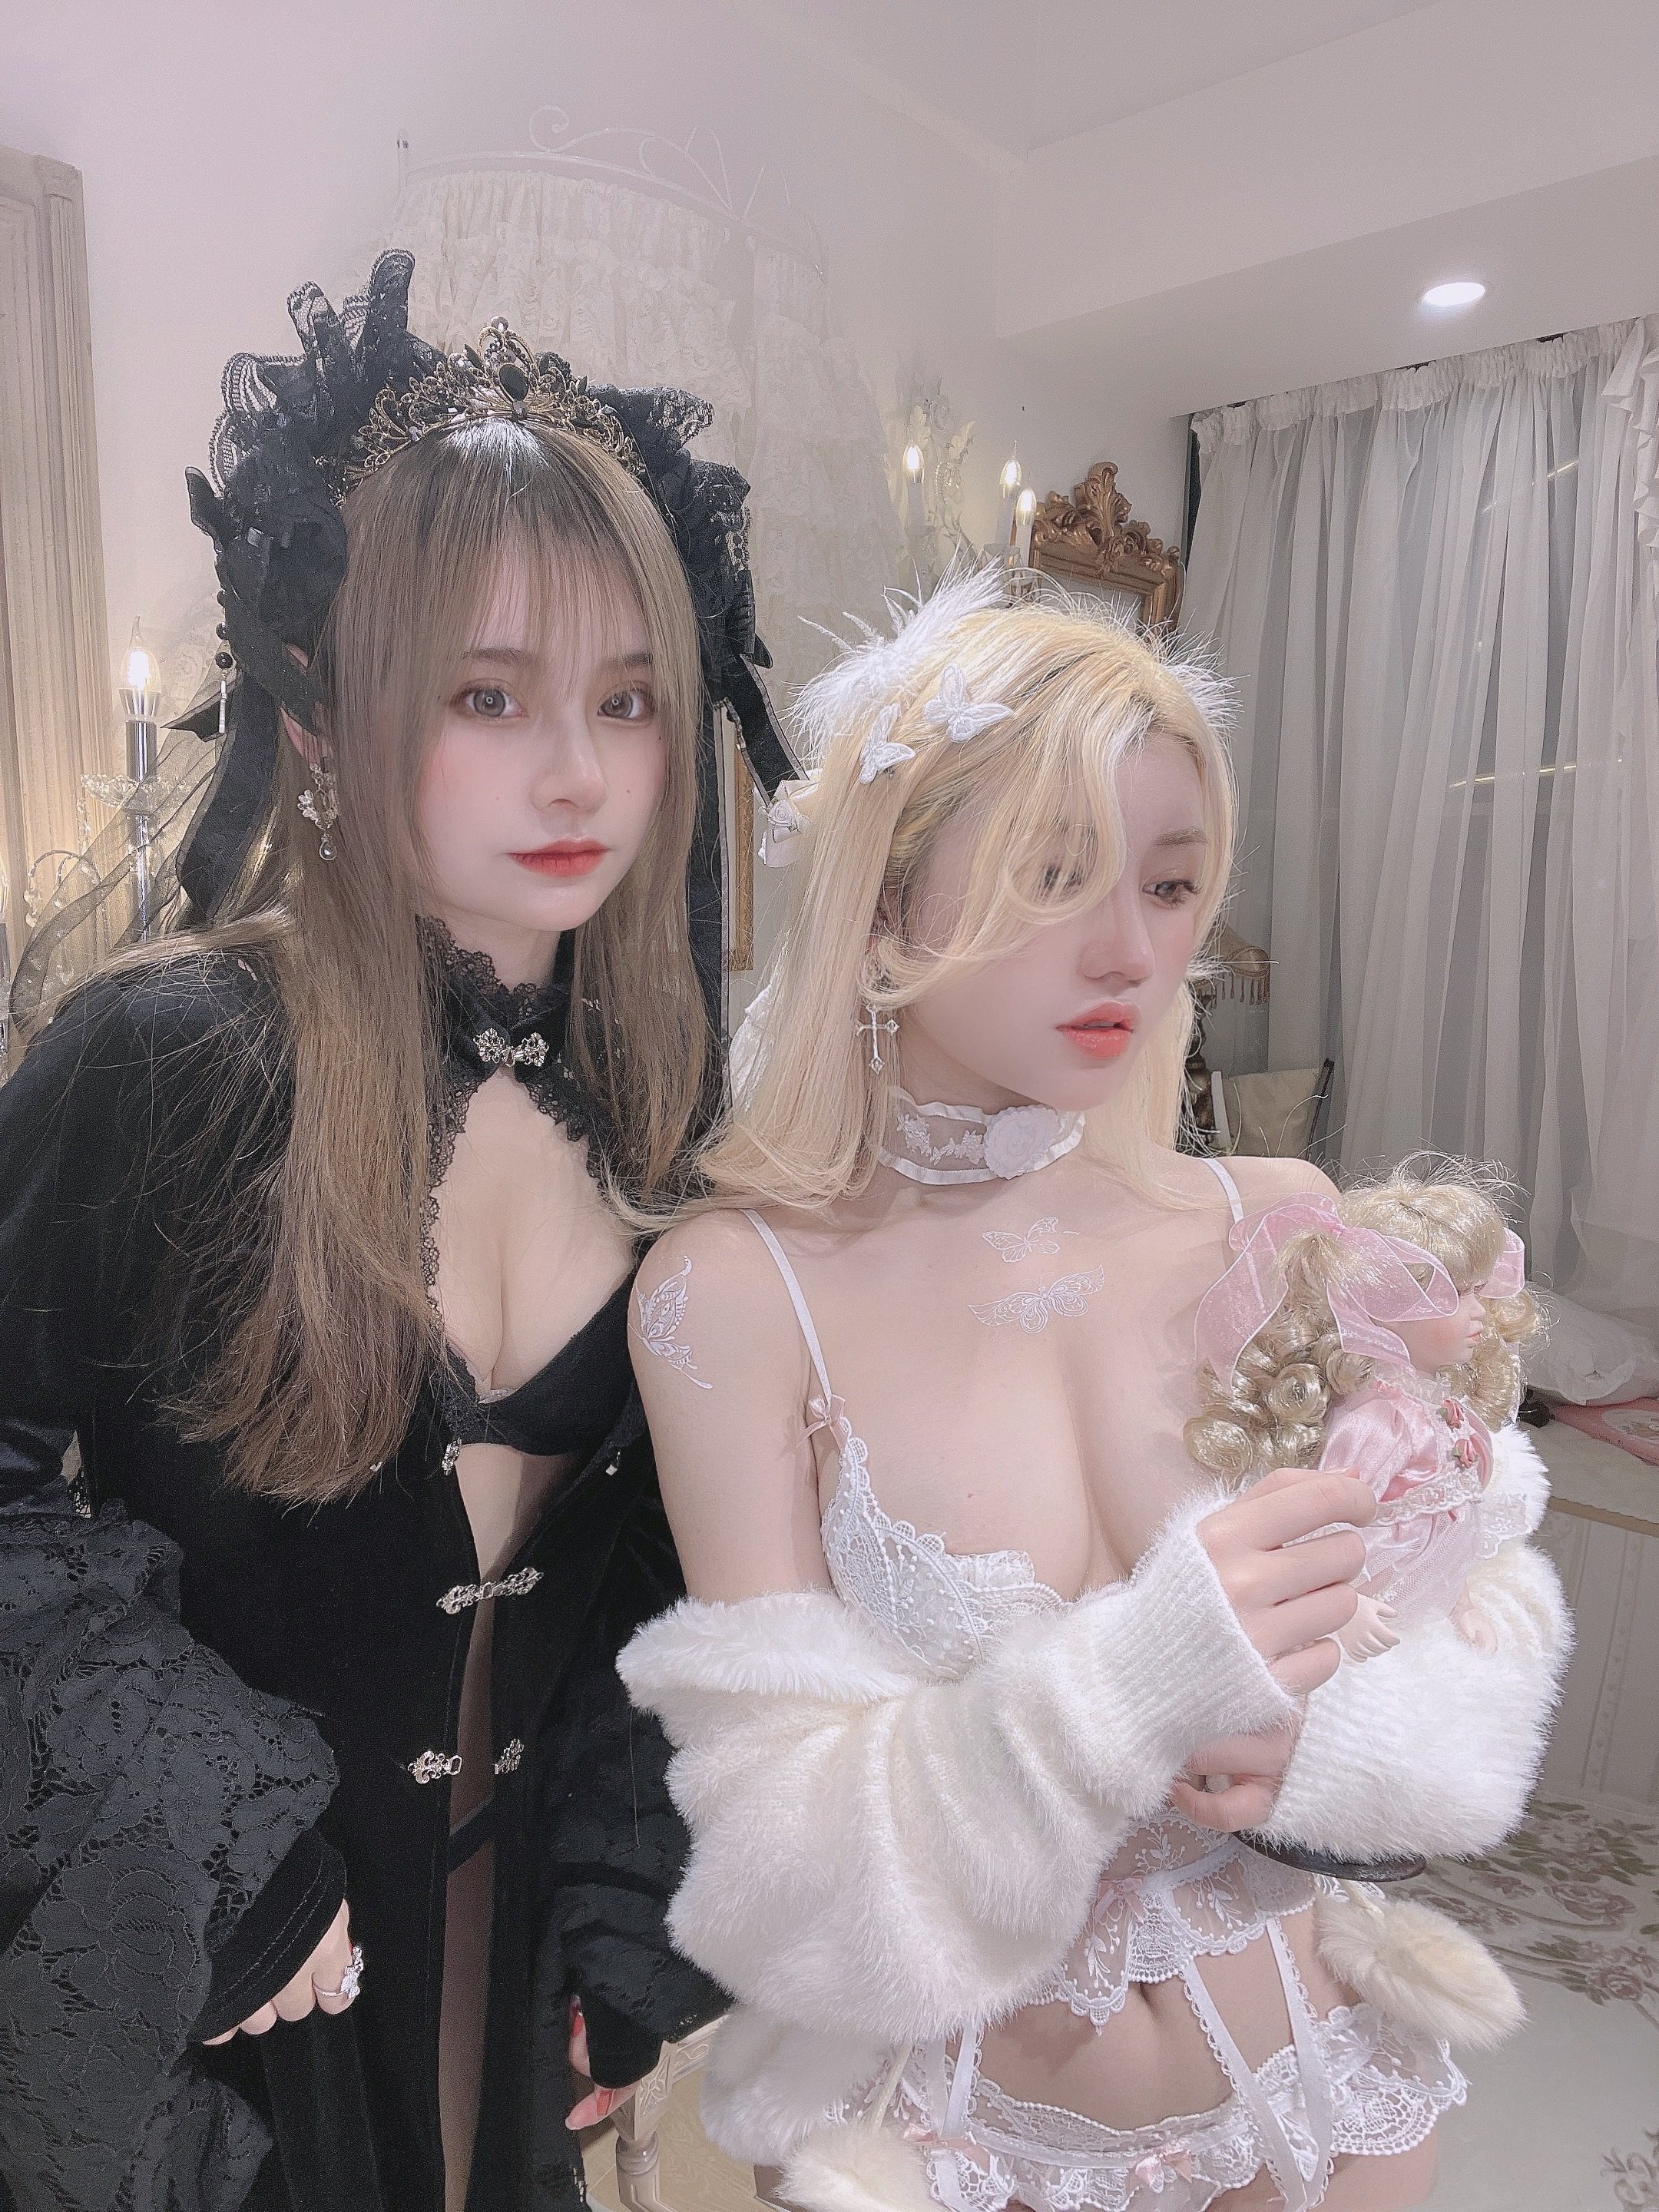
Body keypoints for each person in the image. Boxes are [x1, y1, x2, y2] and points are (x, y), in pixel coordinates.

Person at [620, 568, 1569, 2212]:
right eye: (1054, 877)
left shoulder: (1274, 1222)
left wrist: (1328, 1752)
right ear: (890, 900)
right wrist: (1129, 1687)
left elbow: (1474, 1619)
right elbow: (778, 1864)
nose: (1132, 947)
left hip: (1330, 2091)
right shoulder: (736, 1295)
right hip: (943, 2140)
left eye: (1173, 881)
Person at [0, 252, 791, 2212]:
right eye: (487, 695)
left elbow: (668, 1578)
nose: (578, 769)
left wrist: (629, 1897)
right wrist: (200, 1823)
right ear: (324, 715)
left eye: (625, 697)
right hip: (228, 1998)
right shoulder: (167, 1062)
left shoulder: (667, 1117)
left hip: (510, 1990)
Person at [1187, 1173, 1541, 1661]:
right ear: (1385, 1306)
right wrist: (1343, 1608)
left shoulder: (1437, 1406)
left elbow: (1450, 1525)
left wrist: (1460, 1606)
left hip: (1424, 1606)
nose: (1481, 1312)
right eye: (1457, 1295)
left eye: (1479, 1291)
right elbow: (1321, 1526)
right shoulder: (1379, 1421)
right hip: (1374, 1596)